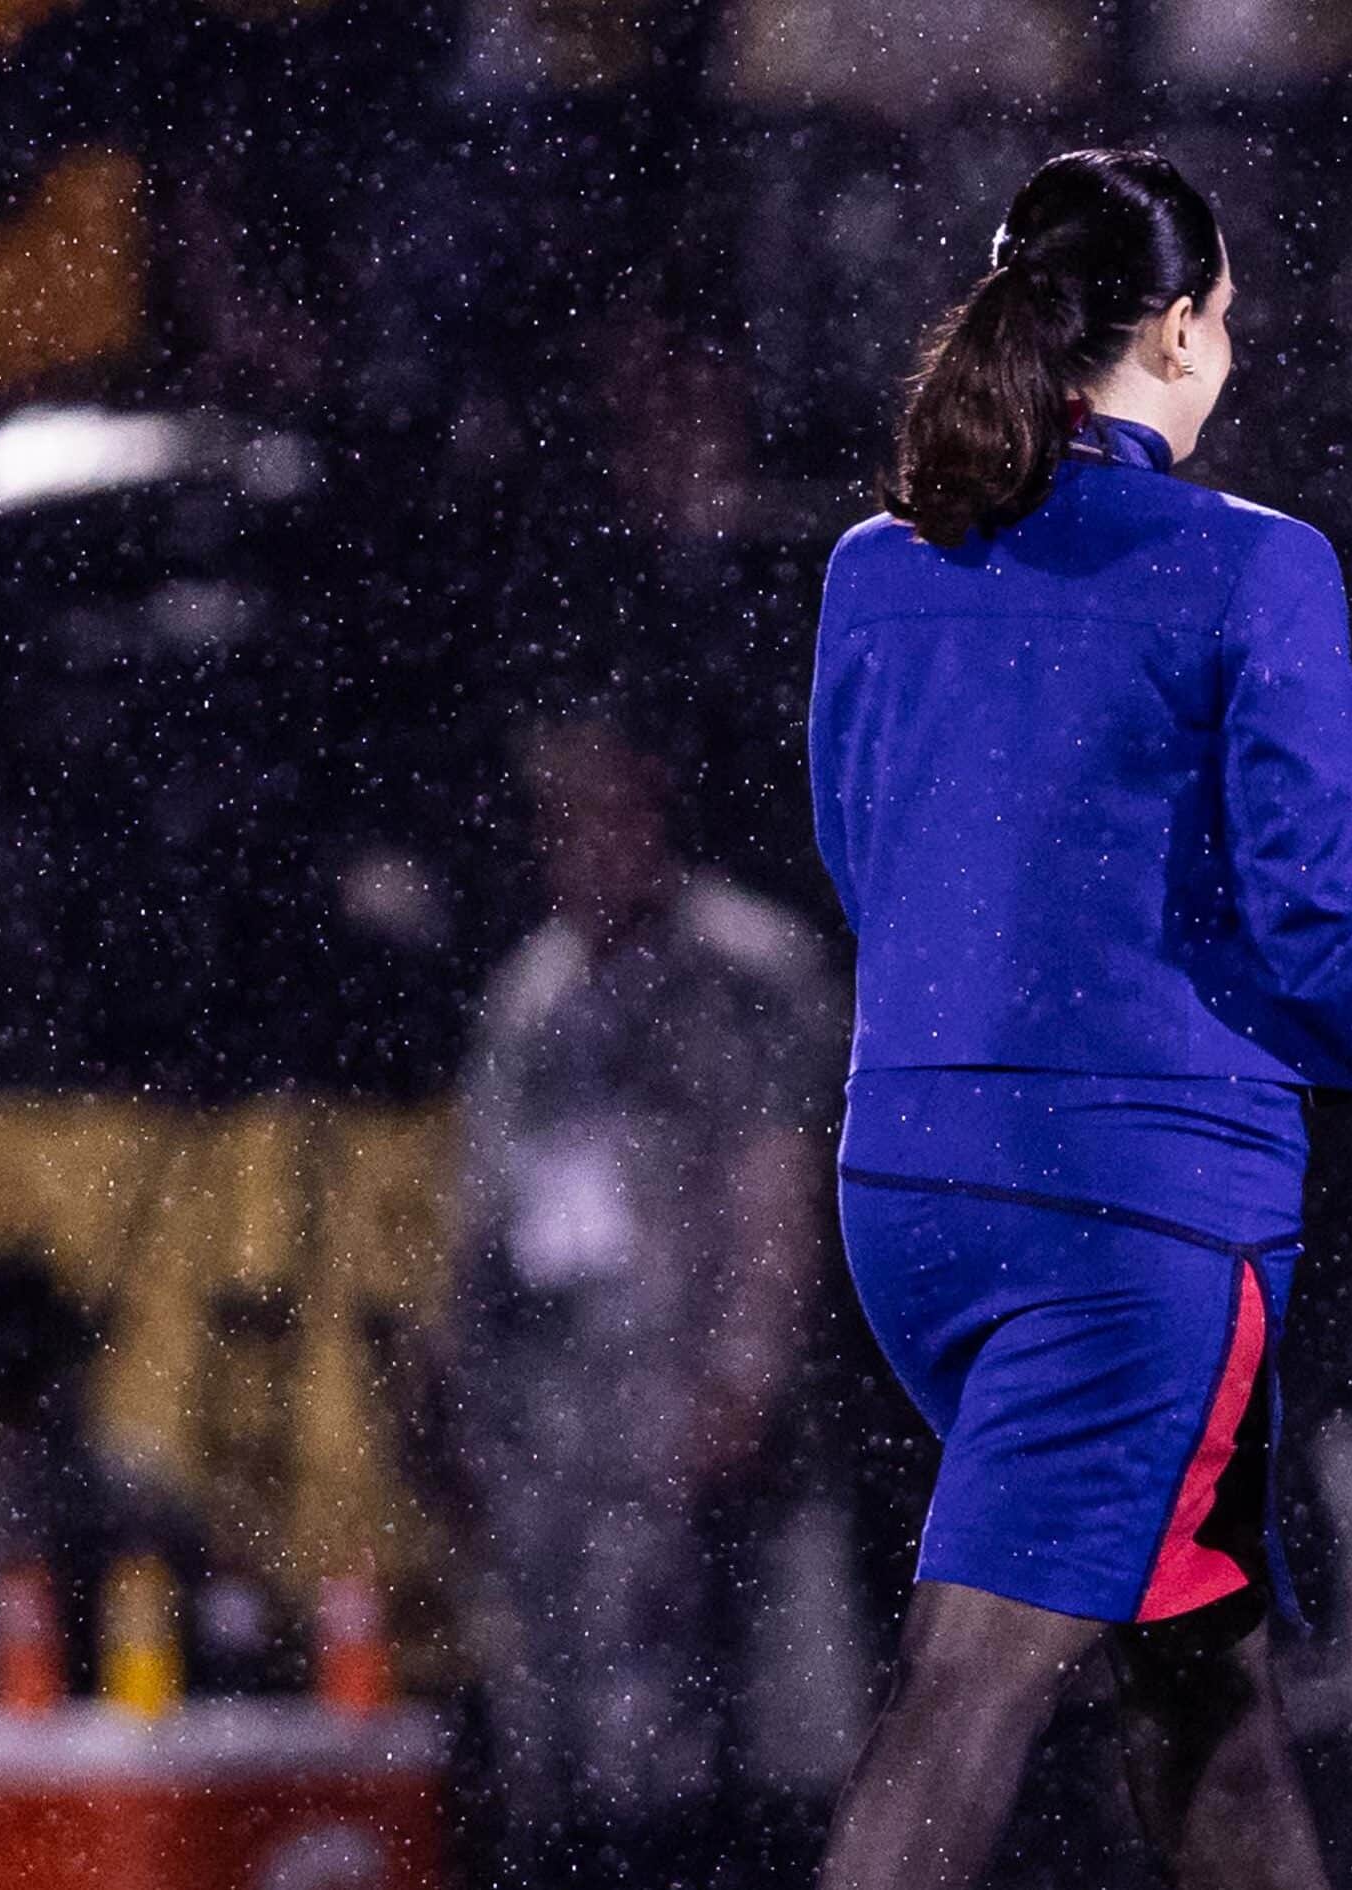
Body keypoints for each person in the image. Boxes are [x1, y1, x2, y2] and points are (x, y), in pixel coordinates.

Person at [805, 148, 1352, 1890]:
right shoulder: (1256, 567)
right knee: (968, 1691)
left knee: (1206, 1701)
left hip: (913, 1195)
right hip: (1135, 1225)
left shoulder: (875, 565)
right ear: (1173, 336)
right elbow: (1316, 926)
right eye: (1224, 319)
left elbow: (881, 865)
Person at [442, 705, 850, 1887]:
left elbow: (782, 1198)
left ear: (652, 808)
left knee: (727, 1754)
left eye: (606, 810)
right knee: (568, 1767)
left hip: (703, 1427)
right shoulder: (530, 1000)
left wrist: (744, 1379)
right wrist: (465, 1395)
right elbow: (491, 1217)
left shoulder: (751, 971)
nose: (586, 844)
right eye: (559, 821)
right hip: (561, 1445)